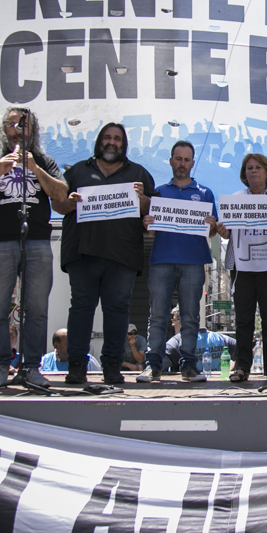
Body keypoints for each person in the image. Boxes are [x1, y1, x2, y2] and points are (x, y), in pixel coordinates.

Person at [0, 106, 68, 388]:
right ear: (4, 130)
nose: (18, 129)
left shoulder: (44, 161)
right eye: (12, 124)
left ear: (33, 130)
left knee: (37, 310)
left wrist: (35, 168)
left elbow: (61, 194)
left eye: (24, 124)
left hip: (37, 241)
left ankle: (32, 368)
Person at [53, 123, 155, 385]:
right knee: (81, 308)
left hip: (122, 256)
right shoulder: (77, 171)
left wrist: (142, 199)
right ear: (99, 141)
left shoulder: (138, 173)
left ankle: (112, 366)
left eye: (117, 139)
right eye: (107, 137)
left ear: (124, 144)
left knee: (117, 310)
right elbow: (57, 204)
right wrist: (69, 203)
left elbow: (153, 211)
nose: (112, 142)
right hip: (82, 253)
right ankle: (77, 365)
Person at [139, 141, 225, 383]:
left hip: (193, 262)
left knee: (190, 316)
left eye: (186, 160)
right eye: (178, 159)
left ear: (192, 163)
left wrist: (211, 226)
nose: (182, 164)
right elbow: (150, 232)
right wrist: (147, 223)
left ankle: (189, 366)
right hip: (162, 259)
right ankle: (153, 365)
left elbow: (212, 232)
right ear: (171, 161)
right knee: (158, 315)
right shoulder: (158, 193)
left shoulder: (205, 193)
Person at [223, 153, 267, 383]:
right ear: (244, 174)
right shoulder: (236, 198)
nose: (254, 171)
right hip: (242, 268)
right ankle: (242, 366)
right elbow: (227, 232)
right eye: (249, 168)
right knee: (243, 319)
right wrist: (223, 230)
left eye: (258, 167)